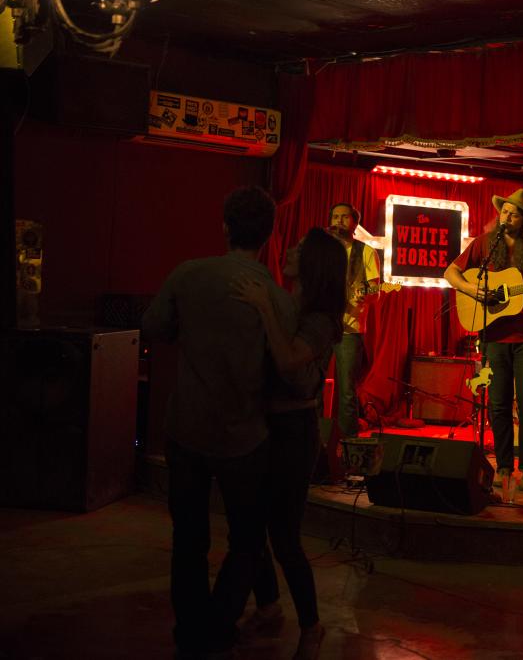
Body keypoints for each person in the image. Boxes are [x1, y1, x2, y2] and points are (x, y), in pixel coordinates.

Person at [142, 186, 292, 657]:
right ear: (268, 236)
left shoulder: (189, 275)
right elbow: (284, 370)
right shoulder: (274, 296)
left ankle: (191, 629)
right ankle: (219, 622)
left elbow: (152, 328)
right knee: (246, 539)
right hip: (245, 436)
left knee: (188, 537)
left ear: (224, 226)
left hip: (186, 429)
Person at [233, 228, 347, 660]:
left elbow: (286, 360)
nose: (291, 251)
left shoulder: (320, 319)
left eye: (301, 249)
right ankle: (267, 604)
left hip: (294, 432)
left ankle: (311, 625)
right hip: (265, 425)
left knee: (284, 537)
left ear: (316, 265)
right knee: (251, 526)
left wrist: (262, 306)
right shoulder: (290, 303)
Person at [444, 188, 523, 492]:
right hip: (493, 336)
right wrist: (471, 290)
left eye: (514, 213)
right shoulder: (484, 244)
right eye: (504, 211)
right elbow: (451, 272)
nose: (507, 217)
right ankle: (503, 465)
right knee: (498, 404)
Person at [326, 203, 381, 444]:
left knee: (347, 390)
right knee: (313, 386)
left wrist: (364, 294)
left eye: (344, 217)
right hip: (321, 326)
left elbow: (376, 289)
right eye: (335, 217)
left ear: (354, 223)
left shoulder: (366, 252)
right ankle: (314, 443)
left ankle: (348, 448)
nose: (338, 221)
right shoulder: (323, 251)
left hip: (350, 327)